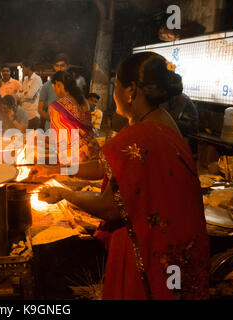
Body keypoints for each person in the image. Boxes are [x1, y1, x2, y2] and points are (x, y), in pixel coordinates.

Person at [38, 52, 209, 299]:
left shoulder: (139, 135)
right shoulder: (163, 122)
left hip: (148, 251)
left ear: (130, 90)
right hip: (179, 247)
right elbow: (105, 167)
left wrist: (64, 193)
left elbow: (110, 207)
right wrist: (55, 170)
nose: (113, 92)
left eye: (115, 86)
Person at [49, 71, 101, 163]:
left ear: (58, 84)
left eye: (53, 86)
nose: (54, 90)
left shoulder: (56, 107)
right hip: (93, 151)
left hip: (74, 157)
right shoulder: (84, 101)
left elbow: (57, 136)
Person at [38, 53, 69, 130]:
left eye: (62, 66)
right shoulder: (47, 86)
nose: (59, 68)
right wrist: (54, 120)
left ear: (67, 66)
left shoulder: (73, 85)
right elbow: (40, 110)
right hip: (51, 129)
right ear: (54, 67)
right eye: (57, 66)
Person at [17, 60, 42, 130]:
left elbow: (30, 95)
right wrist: (24, 93)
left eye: (23, 68)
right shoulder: (25, 80)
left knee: (32, 139)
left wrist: (22, 94)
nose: (22, 70)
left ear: (28, 67)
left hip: (33, 115)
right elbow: (18, 94)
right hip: (25, 115)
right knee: (25, 138)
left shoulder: (37, 79)